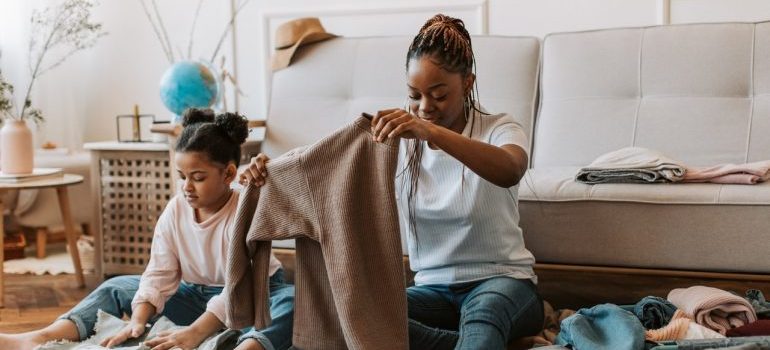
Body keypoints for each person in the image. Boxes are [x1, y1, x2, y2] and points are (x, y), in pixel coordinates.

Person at [0, 109, 294, 350]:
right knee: (117, 286)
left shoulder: (245, 208)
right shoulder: (176, 209)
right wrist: (138, 320)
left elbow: (236, 289)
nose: (187, 187)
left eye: (198, 177)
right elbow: (159, 272)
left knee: (291, 301)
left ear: (228, 173)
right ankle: (42, 337)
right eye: (182, 176)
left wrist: (194, 333)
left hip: (252, 296)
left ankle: (247, 346)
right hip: (194, 296)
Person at [369, 14, 544, 350]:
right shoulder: (400, 141)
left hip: (503, 282)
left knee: (483, 318)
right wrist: (265, 168)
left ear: (467, 83)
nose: (424, 107)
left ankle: (483, 337)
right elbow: (330, 168)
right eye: (414, 95)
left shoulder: (500, 128)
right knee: (365, 313)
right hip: (433, 289)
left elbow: (510, 169)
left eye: (437, 95)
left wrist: (430, 131)